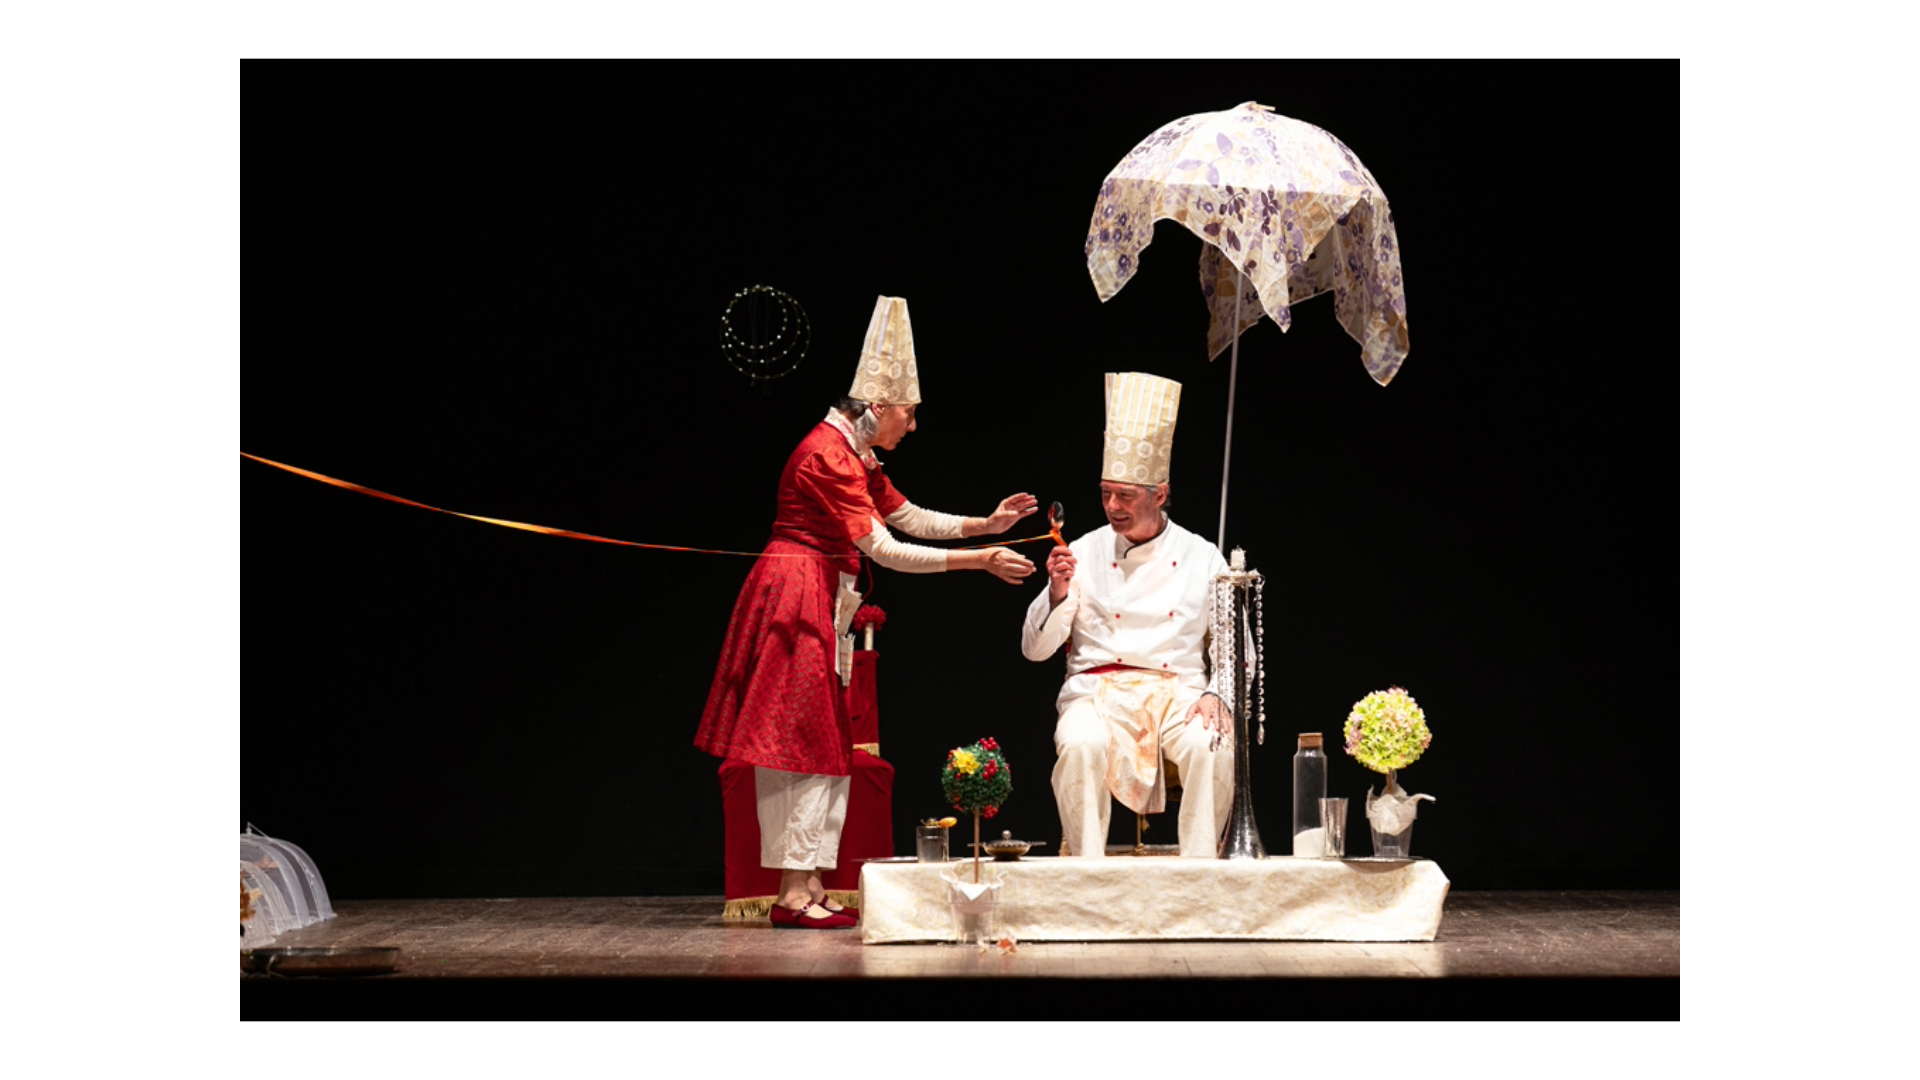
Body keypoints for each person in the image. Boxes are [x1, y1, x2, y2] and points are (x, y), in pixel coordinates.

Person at [695, 296, 1036, 929]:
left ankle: (807, 883)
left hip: (820, 593)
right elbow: (884, 548)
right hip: (795, 594)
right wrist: (979, 561)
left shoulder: (855, 452)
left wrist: (983, 526)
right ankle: (792, 893)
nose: (913, 425)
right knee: (800, 744)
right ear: (878, 406)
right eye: (910, 412)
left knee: (824, 741)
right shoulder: (827, 455)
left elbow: (906, 516)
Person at [1021, 372, 1234, 858]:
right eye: (1105, 493)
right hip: (1095, 694)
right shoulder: (1083, 551)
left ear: (1159, 494)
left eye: (1125, 496)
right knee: (1080, 746)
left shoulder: (1202, 555)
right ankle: (1088, 874)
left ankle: (1202, 873)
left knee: (1211, 745)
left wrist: (1217, 692)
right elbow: (1035, 651)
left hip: (1179, 692)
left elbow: (1233, 645)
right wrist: (1057, 592)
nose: (1112, 506)